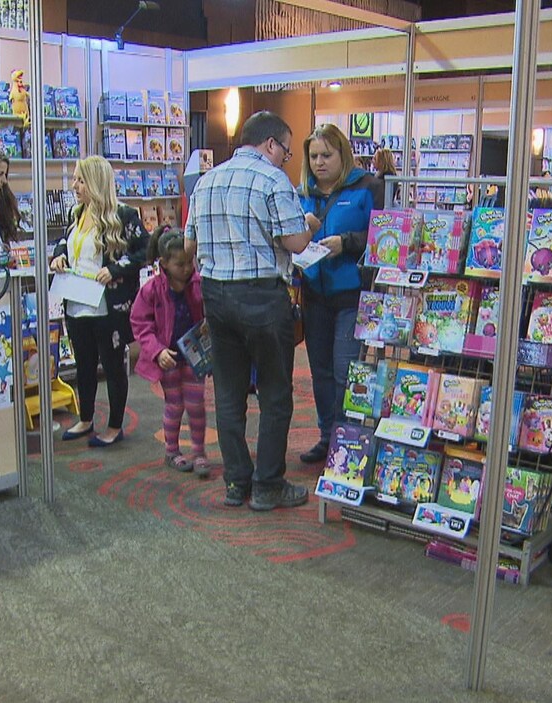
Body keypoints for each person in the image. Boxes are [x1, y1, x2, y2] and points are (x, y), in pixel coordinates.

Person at [183, 110, 316, 511]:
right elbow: (295, 243)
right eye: (287, 152)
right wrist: (309, 222)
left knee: (228, 393)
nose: (285, 160)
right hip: (261, 296)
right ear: (271, 144)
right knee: (275, 393)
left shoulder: (205, 181)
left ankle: (236, 482)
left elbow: (188, 248)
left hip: (216, 296)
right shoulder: (272, 179)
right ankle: (268, 485)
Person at [49, 155, 149, 448]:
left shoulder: (124, 216)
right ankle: (86, 418)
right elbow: (64, 242)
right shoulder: (75, 213)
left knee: (113, 365)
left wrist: (116, 269)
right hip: (77, 301)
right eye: (75, 179)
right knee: (84, 364)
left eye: (80, 180)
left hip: (107, 306)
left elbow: (145, 250)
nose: (75, 185)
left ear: (95, 182)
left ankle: (115, 425)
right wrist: (59, 256)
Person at [297, 123, 375, 464]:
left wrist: (346, 243)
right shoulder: (302, 195)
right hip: (313, 293)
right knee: (321, 372)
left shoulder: (366, 187)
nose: (319, 163)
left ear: (342, 154)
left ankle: (347, 438)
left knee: (346, 370)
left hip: (351, 294)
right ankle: (328, 435)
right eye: (313, 156)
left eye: (326, 155)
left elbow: (383, 235)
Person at [130, 226, 210, 479]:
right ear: (164, 263)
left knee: (197, 404)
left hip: (195, 354)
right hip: (168, 358)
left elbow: (210, 308)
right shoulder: (152, 289)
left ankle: (199, 452)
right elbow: (140, 323)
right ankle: (172, 450)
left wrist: (210, 321)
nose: (187, 268)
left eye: (190, 262)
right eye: (180, 264)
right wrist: (156, 351)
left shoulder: (199, 284)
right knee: (174, 405)